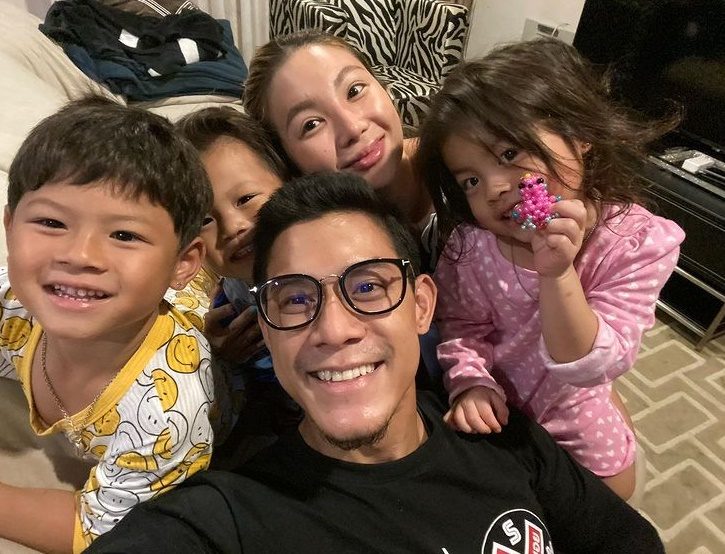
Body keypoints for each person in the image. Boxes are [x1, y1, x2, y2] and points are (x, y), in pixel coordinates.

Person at [88, 172, 665, 553]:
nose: (334, 330)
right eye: (295, 298)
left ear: (422, 305)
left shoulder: (500, 434)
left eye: (367, 287)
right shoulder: (229, 517)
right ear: (265, 327)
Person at [415, 38, 685, 500]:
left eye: (508, 154)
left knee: (616, 493)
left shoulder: (637, 244)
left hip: (573, 402)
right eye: (471, 180)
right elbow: (461, 327)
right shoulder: (472, 246)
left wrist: (558, 274)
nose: (494, 188)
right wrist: (470, 382)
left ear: (580, 135)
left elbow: (595, 365)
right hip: (498, 403)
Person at [0, 97, 215, 553]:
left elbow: (99, 528)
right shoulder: (14, 301)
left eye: (124, 235)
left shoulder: (166, 410)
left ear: (183, 261)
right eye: (51, 222)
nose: (80, 255)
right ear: (9, 227)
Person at [175, 107, 301, 462]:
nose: (232, 227)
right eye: (204, 220)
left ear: (290, 181)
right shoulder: (228, 306)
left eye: (245, 199)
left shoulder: (341, 260)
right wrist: (220, 358)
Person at [243, 30, 434, 234]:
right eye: (311, 124)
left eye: (354, 91)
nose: (353, 128)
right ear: (286, 159)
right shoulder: (311, 240)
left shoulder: (453, 157)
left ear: (384, 88)